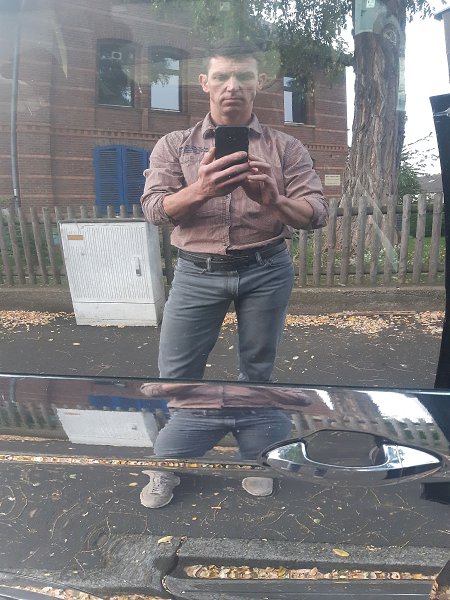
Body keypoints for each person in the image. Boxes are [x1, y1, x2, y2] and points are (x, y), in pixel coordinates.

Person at [139, 39, 327, 507]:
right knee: (177, 373)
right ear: (204, 83)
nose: (232, 87)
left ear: (259, 83)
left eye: (243, 76)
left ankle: (255, 459)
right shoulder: (174, 145)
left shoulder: (285, 146)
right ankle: (168, 463)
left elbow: (317, 213)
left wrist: (275, 201)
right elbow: (154, 209)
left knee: (257, 370)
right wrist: (201, 189)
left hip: (266, 267)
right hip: (195, 271)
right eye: (221, 76)